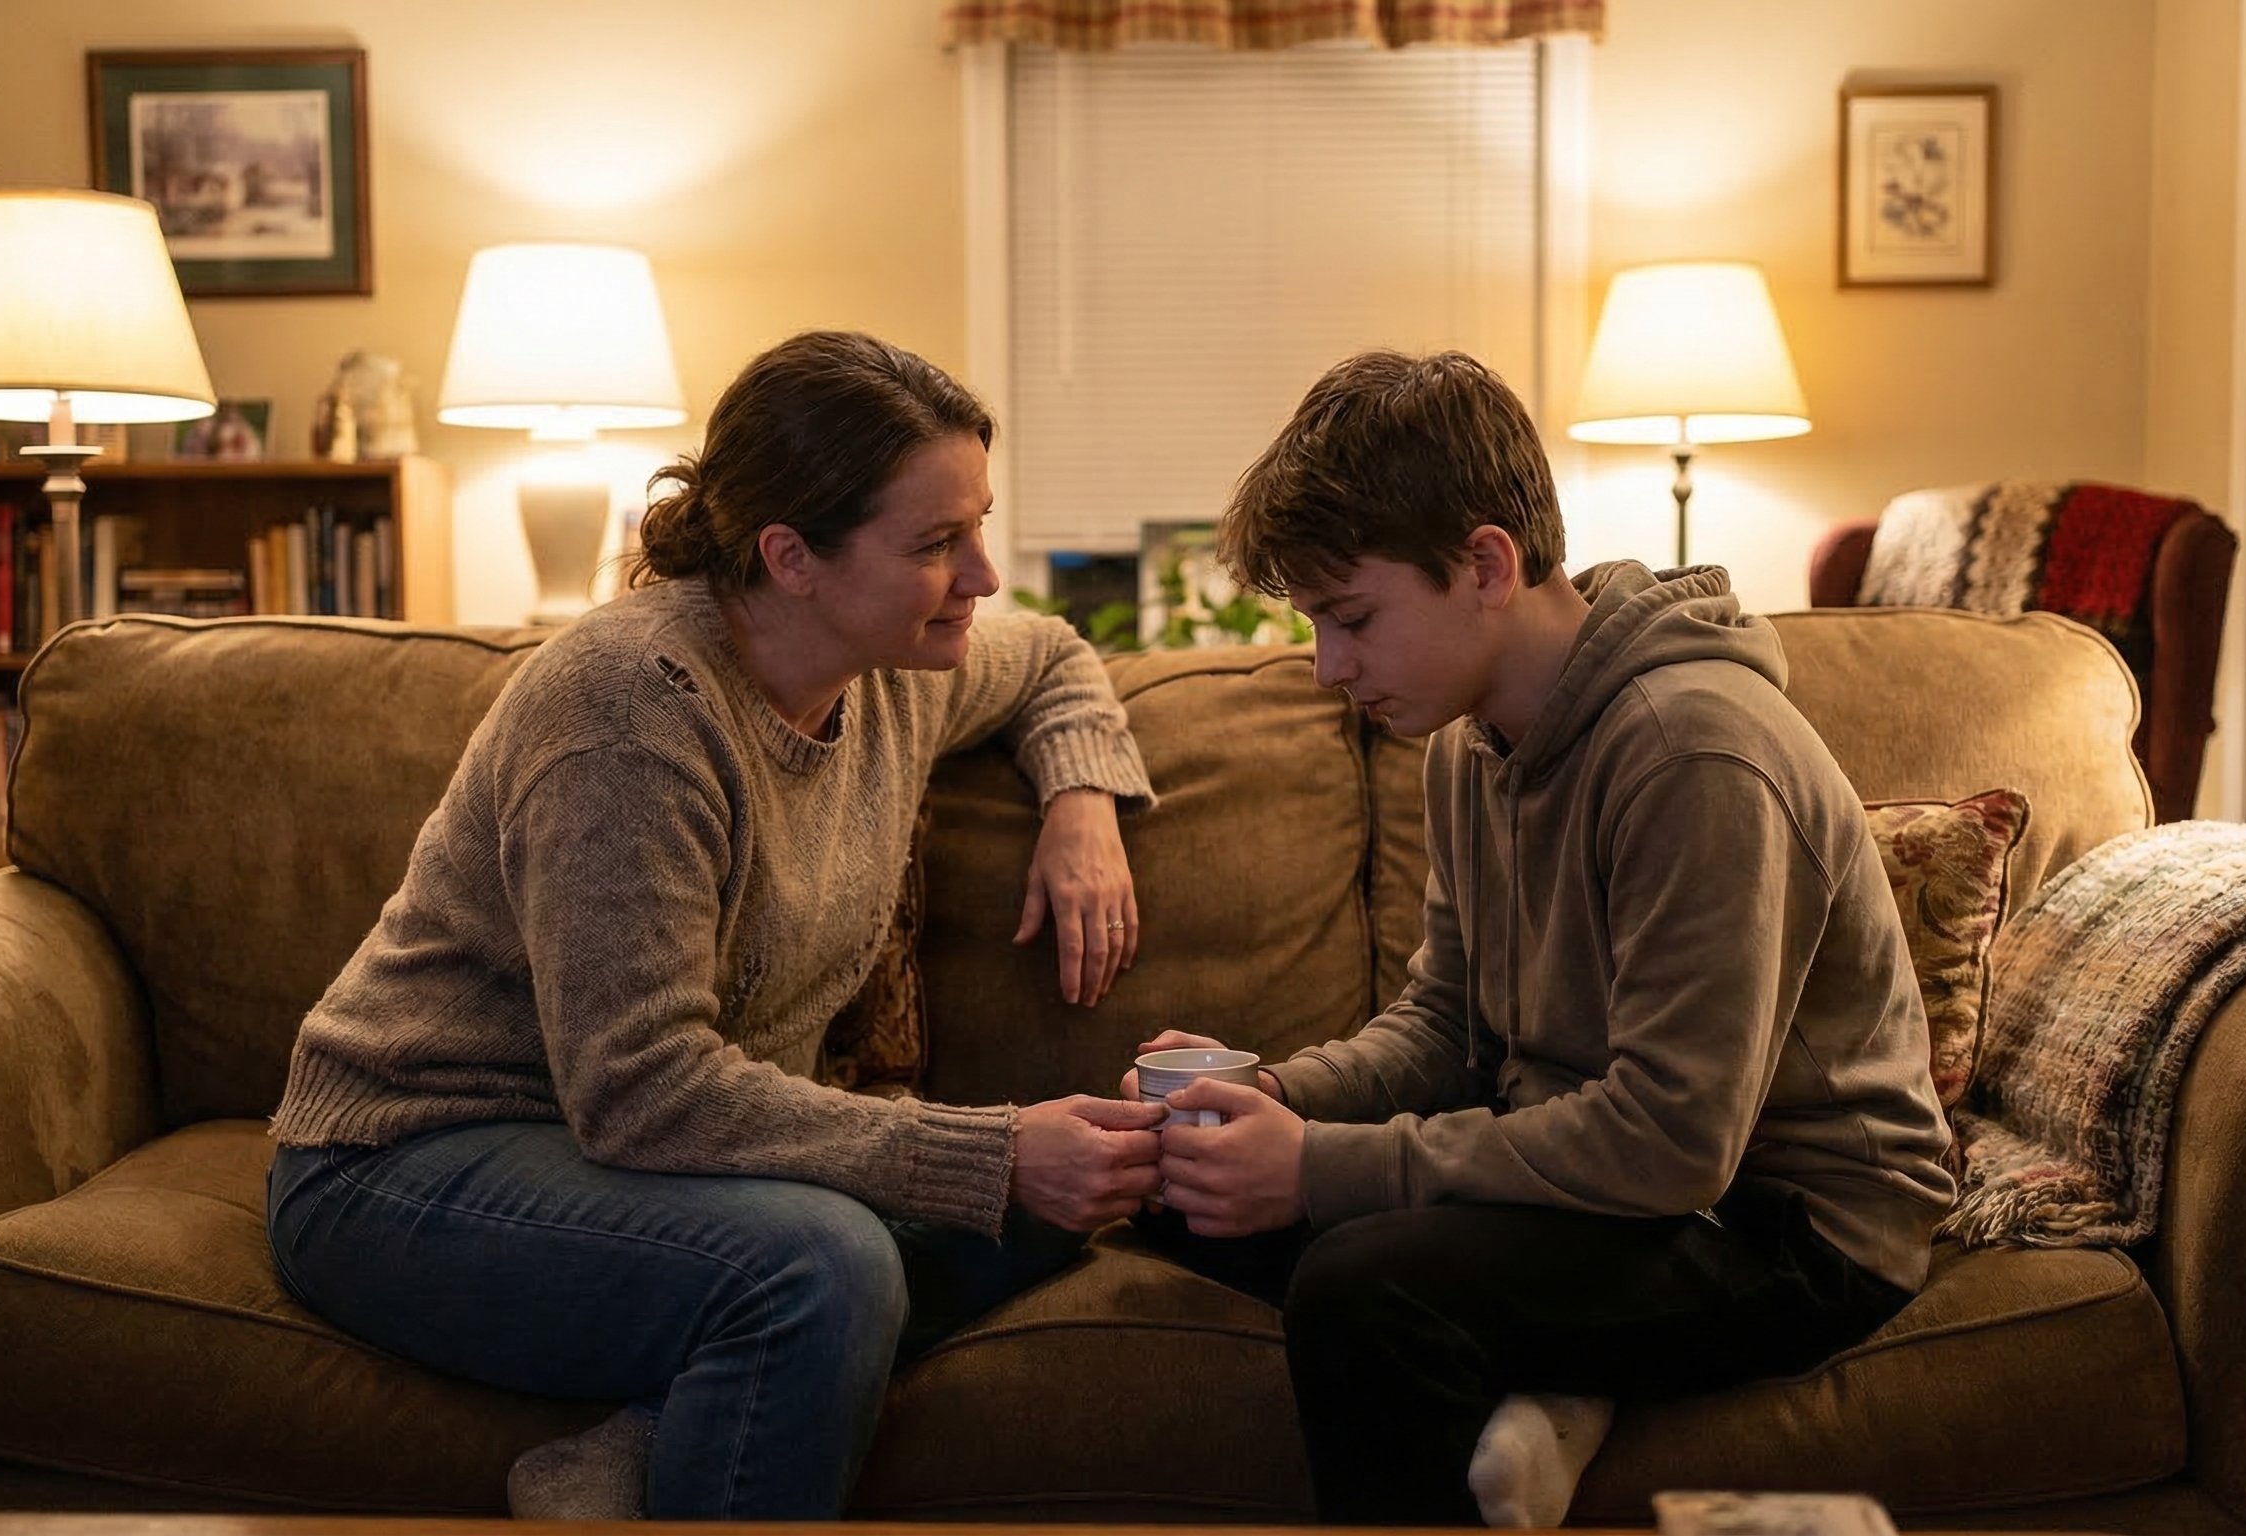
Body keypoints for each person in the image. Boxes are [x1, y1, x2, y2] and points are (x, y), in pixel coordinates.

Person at [266, 330, 1167, 1522]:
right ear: (791, 556)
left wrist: (1080, 802)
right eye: (937, 544)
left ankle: (645, 1441)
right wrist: (988, 1147)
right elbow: (639, 1089)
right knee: (823, 1264)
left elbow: (1053, 656)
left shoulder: (898, 665)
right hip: (413, 1157)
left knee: (1054, 1208)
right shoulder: (628, 712)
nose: (984, 576)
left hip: (651, 1168)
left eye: (979, 525)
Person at [1128, 350, 1955, 1527]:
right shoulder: (1471, 743)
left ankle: (1556, 1368)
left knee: (1364, 1291)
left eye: (1352, 617)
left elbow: (1675, 1140)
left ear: (1484, 564)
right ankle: (1563, 1370)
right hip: (1607, 1186)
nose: (1328, 666)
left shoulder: (1691, 752)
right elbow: (1444, 1028)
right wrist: (1268, 1100)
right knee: (1183, 1194)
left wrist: (1318, 1169)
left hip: (1790, 1222)